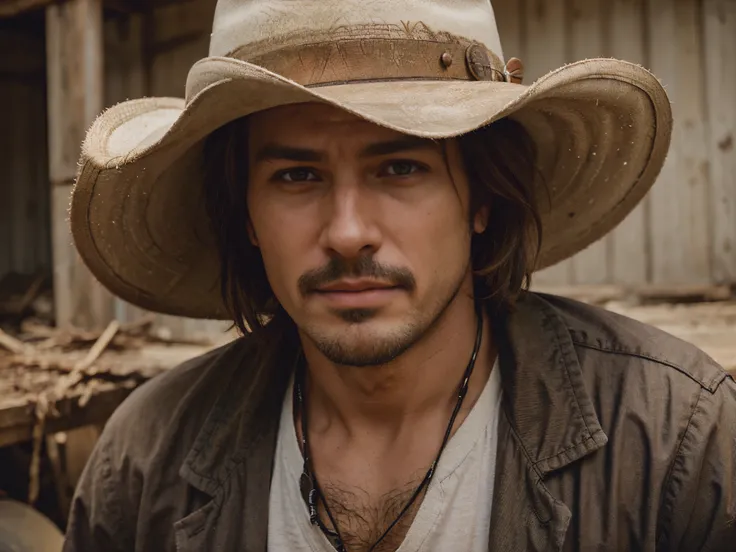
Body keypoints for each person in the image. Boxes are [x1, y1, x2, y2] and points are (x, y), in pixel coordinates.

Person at [63, 0, 736, 551]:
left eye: (399, 167)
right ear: (245, 213)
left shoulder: (674, 445)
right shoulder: (145, 463)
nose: (348, 231)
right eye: (297, 176)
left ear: (480, 198)